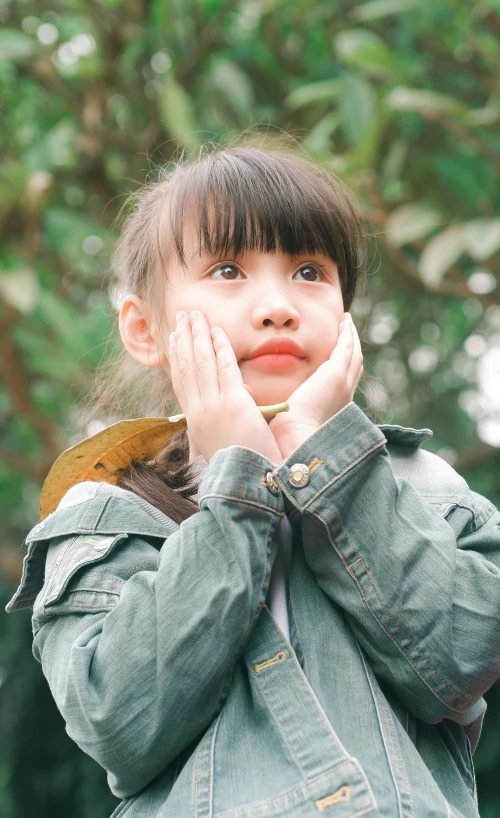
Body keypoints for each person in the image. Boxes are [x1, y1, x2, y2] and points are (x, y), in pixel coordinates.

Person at [6, 142, 500, 818]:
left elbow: (461, 659)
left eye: (308, 270)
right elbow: (117, 723)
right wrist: (237, 489)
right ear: (145, 329)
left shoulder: (422, 484)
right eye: (229, 268)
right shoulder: (105, 514)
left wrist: (333, 466)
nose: (277, 306)